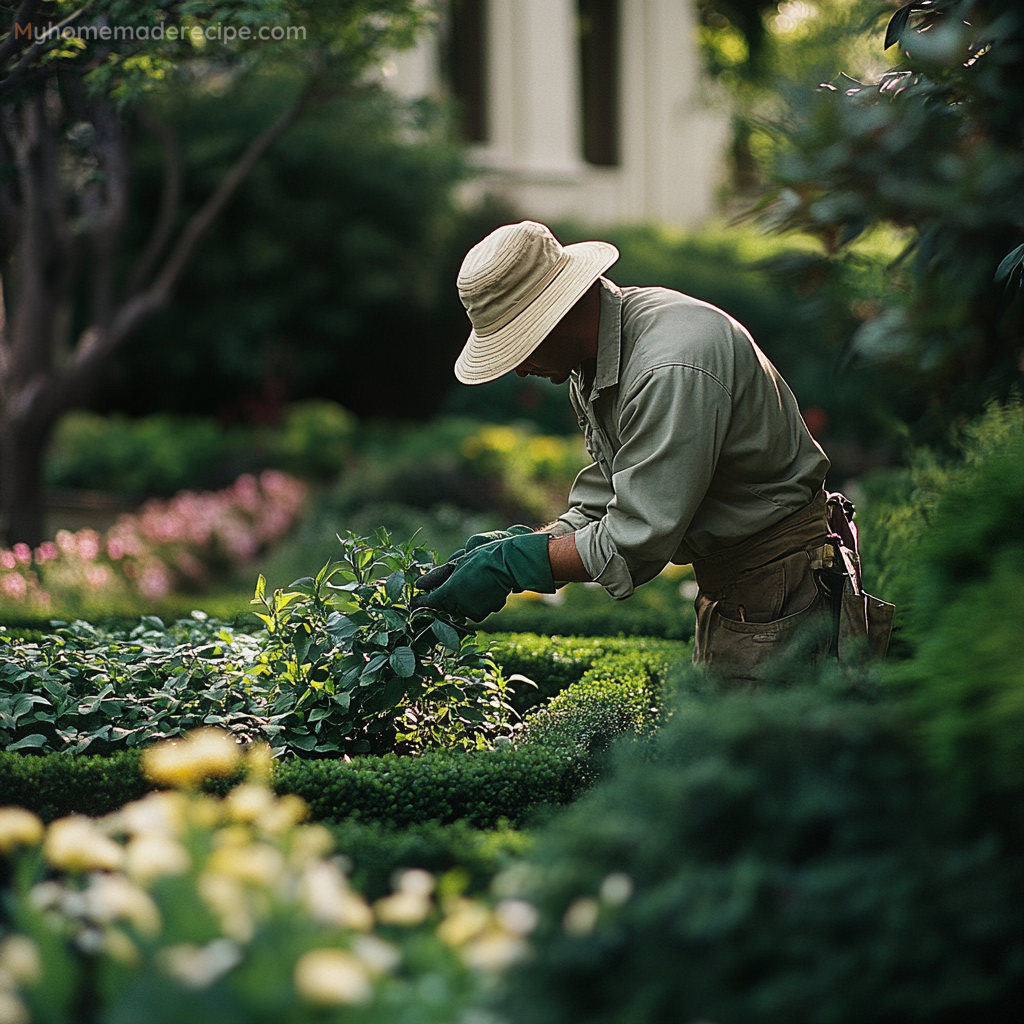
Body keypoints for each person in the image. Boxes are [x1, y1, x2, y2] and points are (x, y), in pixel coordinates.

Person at [413, 220, 892, 683]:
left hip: (779, 581)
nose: (518, 370)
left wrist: (516, 565)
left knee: (766, 755)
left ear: (555, 315)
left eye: (518, 346)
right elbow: (608, 498)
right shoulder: (599, 359)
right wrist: (517, 543)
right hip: (744, 581)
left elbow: (636, 540)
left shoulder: (669, 366)